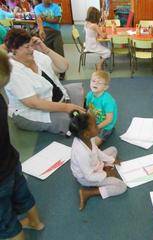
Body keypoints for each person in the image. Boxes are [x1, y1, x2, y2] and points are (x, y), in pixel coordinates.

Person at [4, 28, 84, 134]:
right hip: (32, 111)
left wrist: (45, 49)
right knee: (71, 122)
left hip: (54, 96)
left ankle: (75, 112)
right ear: (14, 50)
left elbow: (63, 67)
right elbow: (34, 103)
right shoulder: (13, 71)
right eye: (27, 47)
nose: (31, 49)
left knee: (78, 90)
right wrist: (66, 107)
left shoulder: (35, 55)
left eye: (31, 45)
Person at [0, 50, 44, 240]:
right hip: (11, 161)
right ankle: (35, 222)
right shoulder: (1, 99)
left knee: (6, 224)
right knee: (23, 195)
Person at [69, 110, 127, 211]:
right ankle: (88, 193)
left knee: (113, 149)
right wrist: (106, 174)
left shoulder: (88, 138)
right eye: (95, 126)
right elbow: (89, 176)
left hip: (95, 165)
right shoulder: (81, 153)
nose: (98, 126)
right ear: (86, 134)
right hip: (87, 178)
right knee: (121, 186)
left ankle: (106, 166)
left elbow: (97, 151)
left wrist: (111, 160)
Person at [34, 0, 65, 79]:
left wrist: (44, 18)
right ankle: (50, 71)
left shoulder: (56, 7)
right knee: (47, 53)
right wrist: (41, 30)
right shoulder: (37, 7)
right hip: (45, 32)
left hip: (56, 33)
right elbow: (39, 19)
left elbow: (56, 20)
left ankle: (62, 72)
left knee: (59, 52)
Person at [86, 70, 117, 146]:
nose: (95, 83)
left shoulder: (108, 101)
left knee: (94, 144)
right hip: (96, 120)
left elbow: (109, 119)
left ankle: (110, 130)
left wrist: (97, 127)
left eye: (99, 83)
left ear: (105, 87)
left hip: (106, 125)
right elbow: (90, 109)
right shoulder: (89, 95)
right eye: (93, 81)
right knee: (84, 135)